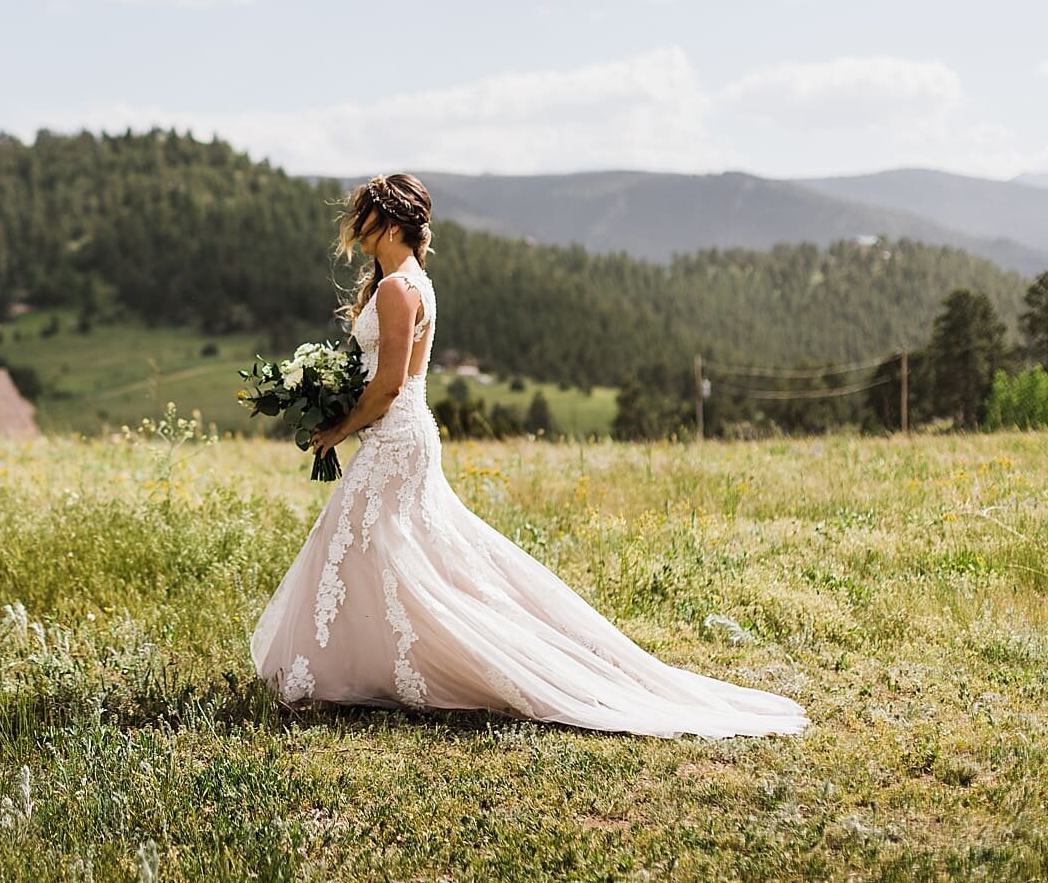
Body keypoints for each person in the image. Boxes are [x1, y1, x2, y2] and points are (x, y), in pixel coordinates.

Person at [250, 174, 808, 738]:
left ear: (390, 223)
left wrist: (338, 427)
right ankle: (365, 665)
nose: (355, 226)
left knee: (363, 539)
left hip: (394, 437)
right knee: (387, 549)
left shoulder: (398, 289)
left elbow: (390, 385)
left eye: (364, 216)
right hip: (403, 436)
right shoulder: (410, 282)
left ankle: (371, 668)